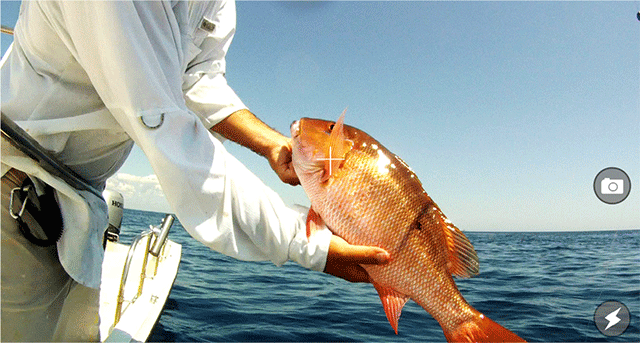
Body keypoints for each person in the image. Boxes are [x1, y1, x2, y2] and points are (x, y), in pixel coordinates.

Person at [0, 1, 390, 341]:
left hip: (71, 209)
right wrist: (308, 245)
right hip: (14, 190)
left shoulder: (218, 3)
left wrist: (272, 143)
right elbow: (159, 119)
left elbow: (198, 76)